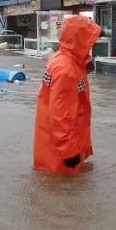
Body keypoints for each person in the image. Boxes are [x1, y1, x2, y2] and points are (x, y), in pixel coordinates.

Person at [33, 15, 101, 174]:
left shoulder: (64, 60)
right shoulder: (67, 69)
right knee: (63, 193)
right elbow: (60, 114)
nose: (92, 45)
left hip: (57, 141)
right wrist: (68, 152)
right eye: (90, 41)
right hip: (61, 151)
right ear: (80, 40)